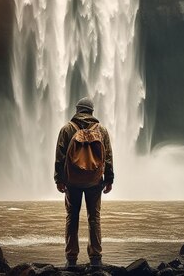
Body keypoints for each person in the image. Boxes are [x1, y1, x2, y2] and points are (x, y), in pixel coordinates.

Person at [54, 97, 114, 267]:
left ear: (77, 110)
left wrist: (59, 179)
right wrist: (109, 179)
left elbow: (60, 157)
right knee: (94, 217)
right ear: (91, 112)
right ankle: (96, 258)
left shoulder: (66, 129)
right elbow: (108, 157)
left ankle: (71, 259)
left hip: (72, 181)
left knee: (72, 217)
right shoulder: (101, 130)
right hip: (95, 182)